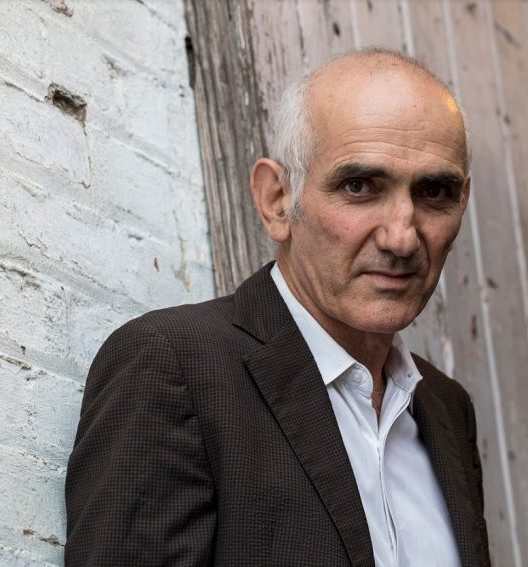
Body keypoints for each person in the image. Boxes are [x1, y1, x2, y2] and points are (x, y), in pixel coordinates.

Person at [65, 48, 490, 567]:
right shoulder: (174, 367)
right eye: (359, 186)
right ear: (277, 200)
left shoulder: (447, 409)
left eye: (434, 191)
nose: (402, 237)